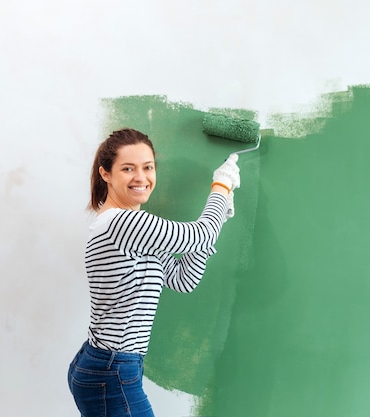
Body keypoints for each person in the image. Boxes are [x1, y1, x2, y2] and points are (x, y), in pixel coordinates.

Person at [67, 128, 240, 417]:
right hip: (111, 371)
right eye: (128, 168)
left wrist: (218, 217)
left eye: (148, 167)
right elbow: (199, 234)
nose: (141, 177)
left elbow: (184, 279)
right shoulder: (121, 224)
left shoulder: (133, 230)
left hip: (107, 366)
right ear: (106, 174)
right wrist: (220, 189)